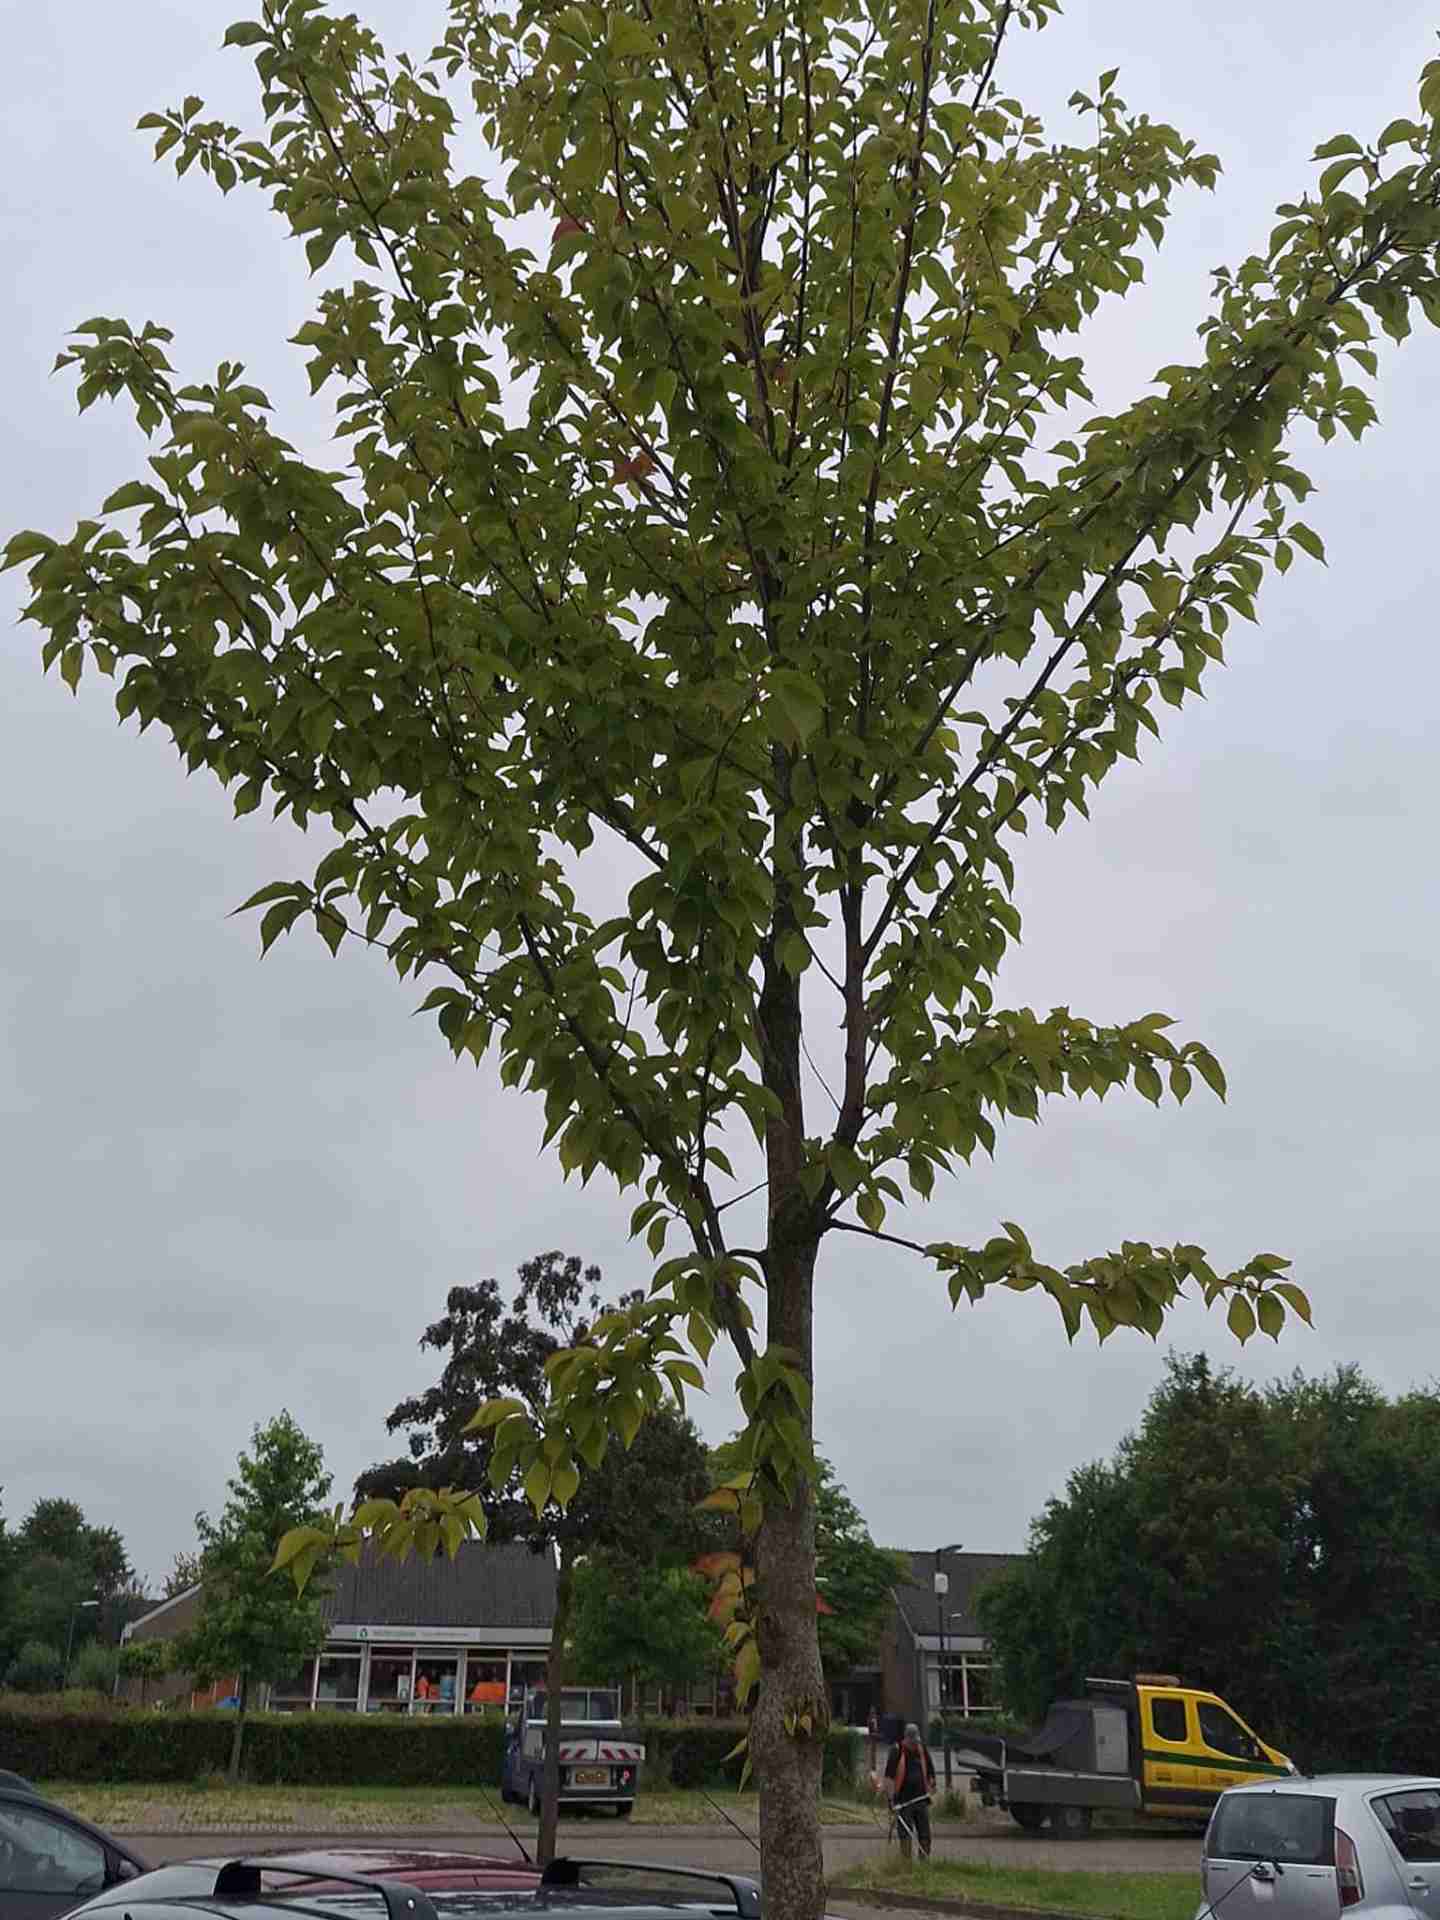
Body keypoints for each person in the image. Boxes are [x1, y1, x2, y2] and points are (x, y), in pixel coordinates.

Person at [886, 1721, 937, 1860]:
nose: (915, 1744)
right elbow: (889, 1778)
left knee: (925, 1834)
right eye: (912, 1742)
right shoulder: (896, 1751)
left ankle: (924, 1862)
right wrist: (891, 1801)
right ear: (906, 1739)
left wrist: (932, 1784)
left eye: (916, 1741)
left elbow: (931, 1771)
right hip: (903, 1802)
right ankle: (906, 1866)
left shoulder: (921, 1749)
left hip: (921, 1799)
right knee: (906, 1835)